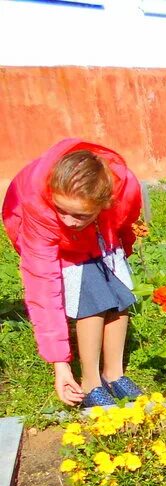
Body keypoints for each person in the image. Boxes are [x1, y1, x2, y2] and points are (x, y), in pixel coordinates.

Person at [2, 140, 143, 408]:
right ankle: (90, 382)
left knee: (119, 294)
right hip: (42, 232)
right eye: (62, 210)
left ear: (104, 203)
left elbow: (125, 218)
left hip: (102, 231)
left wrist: (122, 245)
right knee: (90, 298)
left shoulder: (125, 189)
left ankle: (114, 374)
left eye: (79, 215)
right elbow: (43, 287)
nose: (68, 220)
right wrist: (60, 364)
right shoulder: (38, 205)